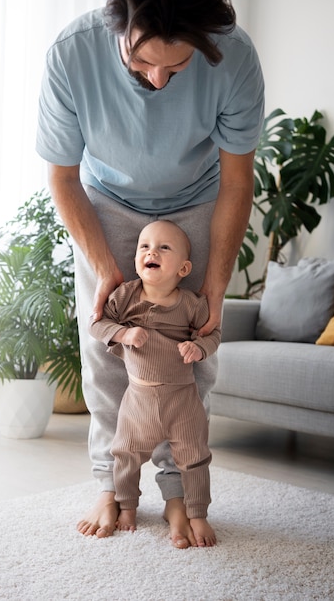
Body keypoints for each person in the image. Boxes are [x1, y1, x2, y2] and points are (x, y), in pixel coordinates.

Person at [36, 0, 264, 549]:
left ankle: (180, 491)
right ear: (119, 31)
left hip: (197, 199)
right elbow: (62, 176)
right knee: (105, 349)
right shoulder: (71, 54)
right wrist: (106, 268)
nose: (159, 81)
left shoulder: (234, 56)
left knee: (194, 351)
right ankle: (112, 486)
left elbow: (238, 180)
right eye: (142, 65)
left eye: (177, 69)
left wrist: (214, 283)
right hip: (105, 200)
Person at [89, 220, 221, 546]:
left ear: (184, 268)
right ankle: (127, 506)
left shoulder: (191, 303)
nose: (152, 252)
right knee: (126, 455)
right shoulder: (125, 295)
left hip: (182, 399)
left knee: (194, 456)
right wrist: (122, 333)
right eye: (144, 246)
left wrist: (199, 347)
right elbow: (97, 325)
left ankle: (196, 512)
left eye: (164, 247)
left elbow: (213, 334)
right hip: (138, 400)